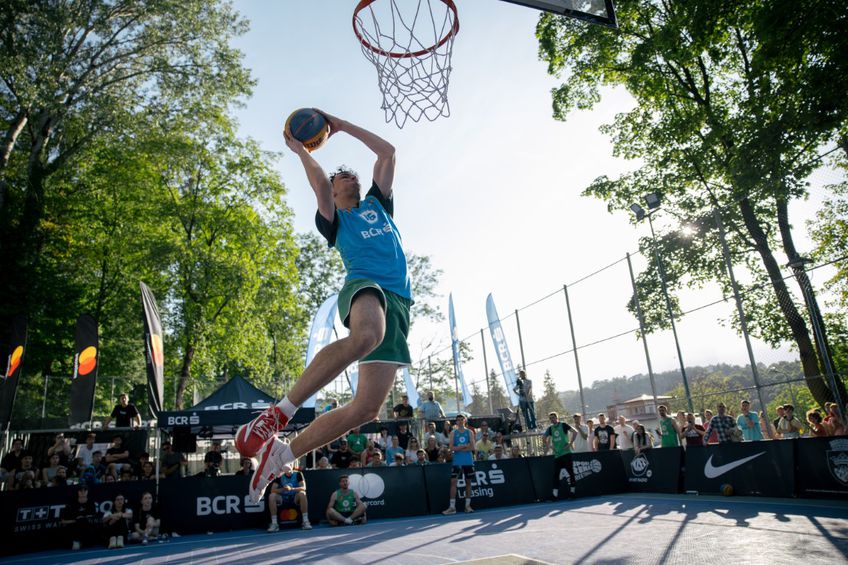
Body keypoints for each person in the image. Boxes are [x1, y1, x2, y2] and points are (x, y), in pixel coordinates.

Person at [237, 111, 412, 504]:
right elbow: (317, 181)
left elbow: (387, 153)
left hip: (399, 303)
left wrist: (341, 124)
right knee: (367, 335)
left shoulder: (378, 204)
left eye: (351, 174)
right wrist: (300, 150)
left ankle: (280, 456)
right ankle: (278, 413)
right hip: (364, 286)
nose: (347, 175)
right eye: (339, 176)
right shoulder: (333, 219)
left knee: (367, 408)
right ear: (332, 192)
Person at [443, 414, 475, 515]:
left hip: (468, 461)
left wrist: (460, 447)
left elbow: (472, 447)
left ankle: (467, 506)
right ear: (456, 422)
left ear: (465, 420)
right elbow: (451, 448)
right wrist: (465, 446)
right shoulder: (453, 433)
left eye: (462, 419)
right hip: (457, 461)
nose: (460, 421)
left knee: (468, 483)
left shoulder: (469, 432)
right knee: (453, 482)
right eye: (458, 420)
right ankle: (452, 507)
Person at [268, 465, 312, 531]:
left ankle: (305, 521)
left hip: (295, 498)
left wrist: (292, 489)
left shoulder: (298, 474)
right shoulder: (279, 475)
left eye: (289, 465)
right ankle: (274, 523)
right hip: (282, 498)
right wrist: (283, 489)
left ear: (292, 466)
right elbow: (272, 490)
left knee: (302, 494)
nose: (287, 467)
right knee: (272, 496)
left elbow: (303, 488)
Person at [544, 412, 576, 500]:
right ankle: (555, 495)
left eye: (553, 417)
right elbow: (544, 437)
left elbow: (575, 432)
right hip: (557, 455)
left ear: (557, 418)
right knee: (556, 474)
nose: (552, 419)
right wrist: (550, 446)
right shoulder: (550, 429)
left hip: (566, 453)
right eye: (550, 418)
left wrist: (570, 443)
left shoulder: (563, 425)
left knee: (570, 472)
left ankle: (572, 492)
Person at [61, 485, 100, 550]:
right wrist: (76, 520)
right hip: (74, 528)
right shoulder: (71, 504)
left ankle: (83, 541)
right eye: (81, 491)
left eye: (85, 490)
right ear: (78, 492)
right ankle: (76, 541)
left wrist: (82, 519)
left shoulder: (91, 503)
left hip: (87, 528)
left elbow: (92, 517)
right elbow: (63, 521)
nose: (83, 492)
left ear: (87, 492)